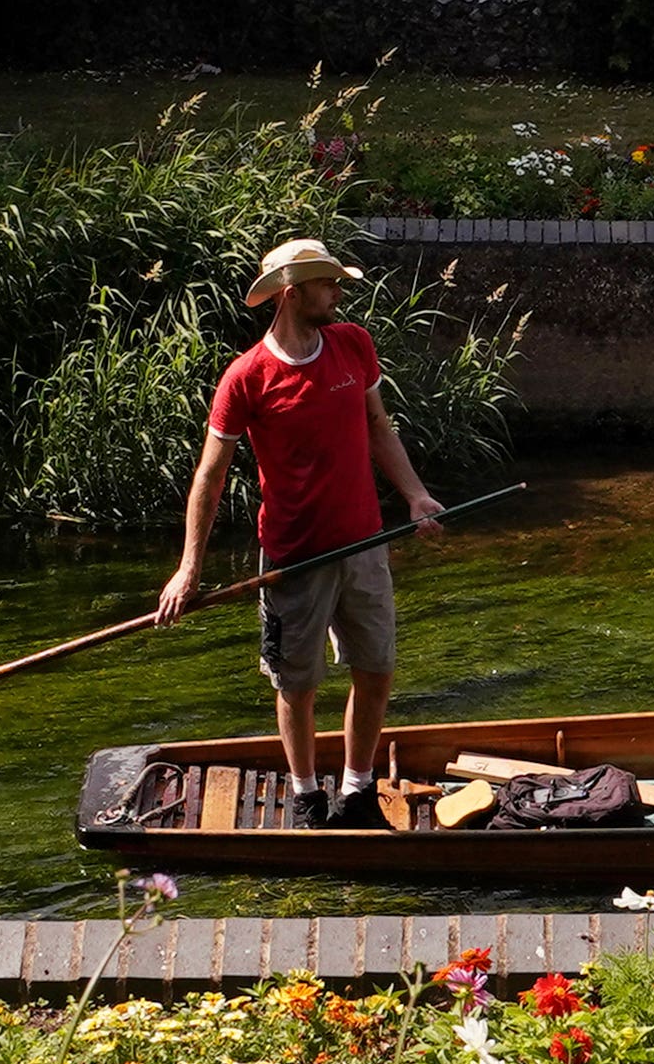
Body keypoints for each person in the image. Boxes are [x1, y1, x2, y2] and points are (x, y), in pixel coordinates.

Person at [155, 238, 445, 828]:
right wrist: (189, 568)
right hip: (293, 557)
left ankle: (359, 789)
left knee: (376, 668)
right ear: (293, 293)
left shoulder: (353, 344)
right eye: (329, 284)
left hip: (364, 542)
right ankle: (309, 793)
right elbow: (209, 476)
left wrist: (414, 495)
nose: (339, 293)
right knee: (298, 682)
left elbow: (378, 427)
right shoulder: (247, 378)